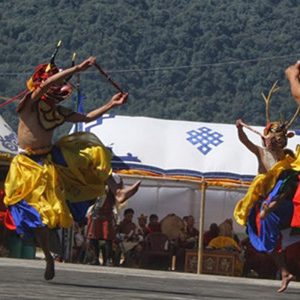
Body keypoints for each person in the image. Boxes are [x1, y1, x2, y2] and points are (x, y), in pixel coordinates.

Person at [3, 52, 141, 280]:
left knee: (92, 150)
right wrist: (78, 69)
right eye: (56, 82)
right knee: (39, 220)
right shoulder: (28, 105)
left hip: (49, 160)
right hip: (26, 167)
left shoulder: (57, 112)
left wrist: (110, 104)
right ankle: (48, 258)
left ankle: (117, 191)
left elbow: (86, 118)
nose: (61, 87)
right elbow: (47, 83)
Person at [234, 80, 300, 292]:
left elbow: (288, 181)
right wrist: (239, 129)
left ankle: (285, 268)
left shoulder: (285, 158)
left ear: (279, 141)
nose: (268, 141)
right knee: (265, 236)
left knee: (284, 179)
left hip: (278, 198)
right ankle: (284, 271)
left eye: (273, 138)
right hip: (262, 199)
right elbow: (245, 142)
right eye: (268, 137)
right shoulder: (261, 152)